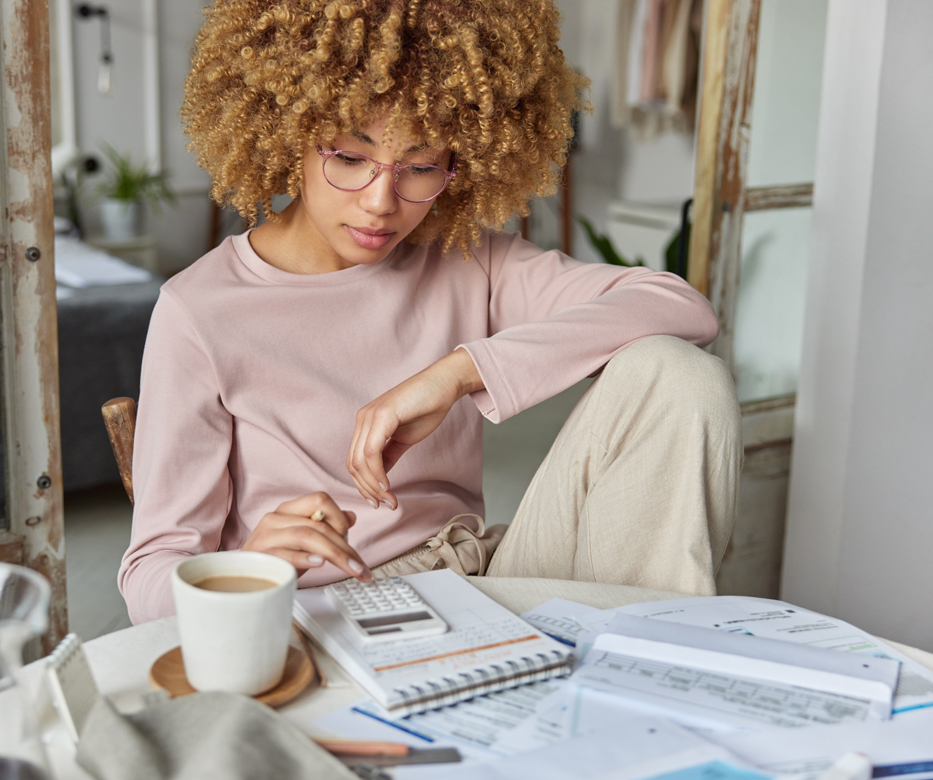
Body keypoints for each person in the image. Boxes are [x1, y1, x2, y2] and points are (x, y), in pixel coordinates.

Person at [119, 0, 742, 623]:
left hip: (481, 577)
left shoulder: (467, 260)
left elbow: (680, 307)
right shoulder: (199, 310)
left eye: (420, 167)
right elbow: (149, 575)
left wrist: (460, 373)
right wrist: (250, 568)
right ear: (287, 135)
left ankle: (649, 652)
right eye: (349, 158)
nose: (380, 201)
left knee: (677, 374)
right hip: (328, 613)